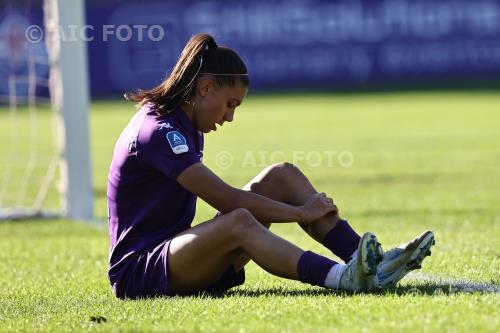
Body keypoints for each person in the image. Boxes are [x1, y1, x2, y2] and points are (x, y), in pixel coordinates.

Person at [107, 33, 435, 299]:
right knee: (239, 221)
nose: (230, 117)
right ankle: (342, 278)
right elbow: (228, 201)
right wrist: (302, 214)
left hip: (182, 257)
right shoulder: (158, 132)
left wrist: (301, 209)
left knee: (283, 175)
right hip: (141, 273)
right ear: (205, 87)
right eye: (230, 104)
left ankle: (366, 262)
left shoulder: (186, 121)